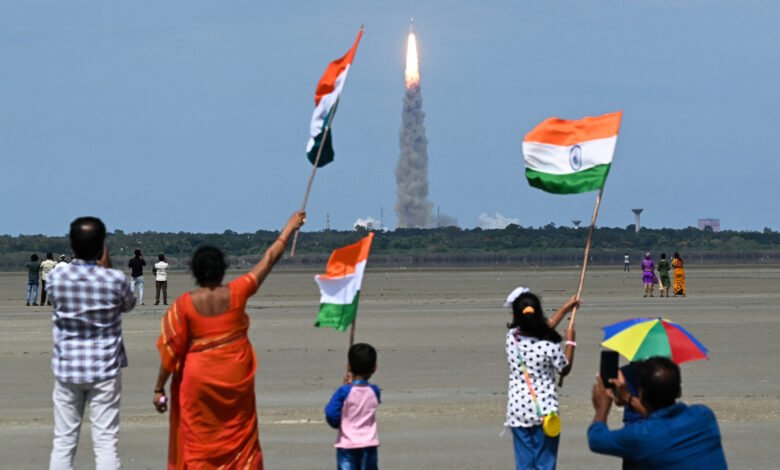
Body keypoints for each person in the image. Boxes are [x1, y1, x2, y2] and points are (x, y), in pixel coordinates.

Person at [153, 211, 305, 469]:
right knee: (240, 437)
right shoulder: (237, 292)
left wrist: (159, 389)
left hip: (197, 380)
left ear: (195, 272)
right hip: (235, 377)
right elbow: (269, 259)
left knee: (198, 441)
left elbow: (171, 353)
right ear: (222, 269)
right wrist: (289, 228)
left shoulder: (183, 306)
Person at [47, 217, 136, 469]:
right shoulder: (115, 279)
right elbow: (128, 304)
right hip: (104, 367)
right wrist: (106, 267)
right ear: (101, 246)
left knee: (64, 441)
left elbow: (54, 299)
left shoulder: (56, 277)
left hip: (67, 367)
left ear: (72, 245)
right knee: (106, 440)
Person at [588, 357, 727, 469]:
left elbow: (596, 439)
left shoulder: (642, 436)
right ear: (679, 391)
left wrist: (602, 409)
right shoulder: (703, 415)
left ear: (641, 395)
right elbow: (663, 423)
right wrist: (629, 398)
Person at [504, 288, 578, 470]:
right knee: (545, 464)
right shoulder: (548, 346)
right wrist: (570, 342)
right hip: (545, 412)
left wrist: (565, 308)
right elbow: (564, 368)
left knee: (524, 464)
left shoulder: (511, 338)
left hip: (518, 410)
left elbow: (544, 326)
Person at [325, 343, 381, 470]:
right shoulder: (374, 391)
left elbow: (331, 413)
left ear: (349, 366)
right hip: (369, 443)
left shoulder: (343, 392)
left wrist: (337, 423)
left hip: (348, 444)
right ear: (374, 368)